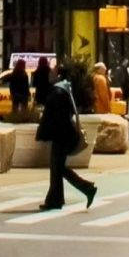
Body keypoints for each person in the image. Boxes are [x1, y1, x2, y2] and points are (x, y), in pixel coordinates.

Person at [36, 78, 96, 212]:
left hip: (62, 136)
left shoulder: (57, 93)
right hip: (64, 135)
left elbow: (56, 118)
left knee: (57, 168)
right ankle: (57, 198)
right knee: (58, 168)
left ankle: (85, 189)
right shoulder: (62, 91)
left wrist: (45, 133)